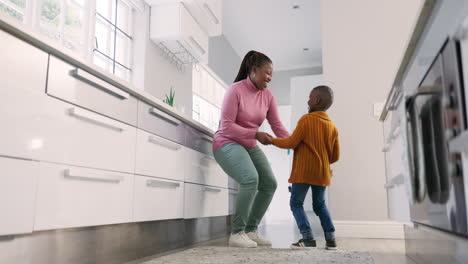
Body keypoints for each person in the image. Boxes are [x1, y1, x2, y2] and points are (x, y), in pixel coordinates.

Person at [213, 50, 290, 248]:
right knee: (250, 179)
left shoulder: (268, 96)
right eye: (268, 73)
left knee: (269, 183)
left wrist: (295, 142)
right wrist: (255, 134)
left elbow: (277, 125)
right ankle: (237, 233)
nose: (270, 78)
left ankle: (250, 230)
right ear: (254, 70)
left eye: (272, 74)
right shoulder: (235, 90)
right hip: (226, 142)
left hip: (248, 145)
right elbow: (227, 126)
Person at [268, 85, 340, 250]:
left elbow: (291, 143)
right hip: (322, 173)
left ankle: (307, 238)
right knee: (320, 205)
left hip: (303, 172)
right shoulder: (332, 127)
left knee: (295, 203)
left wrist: (272, 140)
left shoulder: (306, 120)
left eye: (310, 97)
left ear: (316, 100)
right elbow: (335, 157)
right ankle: (331, 239)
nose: (307, 101)